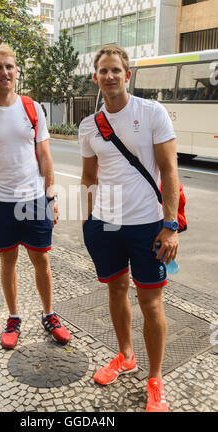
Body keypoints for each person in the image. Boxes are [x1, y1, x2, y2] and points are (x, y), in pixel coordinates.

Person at [79, 45, 179, 412]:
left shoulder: (151, 112)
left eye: (116, 70)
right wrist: (88, 221)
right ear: (96, 77)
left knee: (151, 302)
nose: (109, 76)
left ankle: (155, 379)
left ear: (127, 75)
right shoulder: (88, 126)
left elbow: (169, 171)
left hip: (148, 226)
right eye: (103, 71)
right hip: (105, 225)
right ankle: (125, 357)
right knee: (116, 290)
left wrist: (170, 226)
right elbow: (89, 176)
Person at [0, 44, 71, 350]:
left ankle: (49, 314)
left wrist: (51, 197)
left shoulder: (32, 108)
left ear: (17, 70)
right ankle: (13, 317)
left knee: (42, 259)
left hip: (34, 199)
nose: (5, 72)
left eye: (9, 66)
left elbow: (45, 156)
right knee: (7, 261)